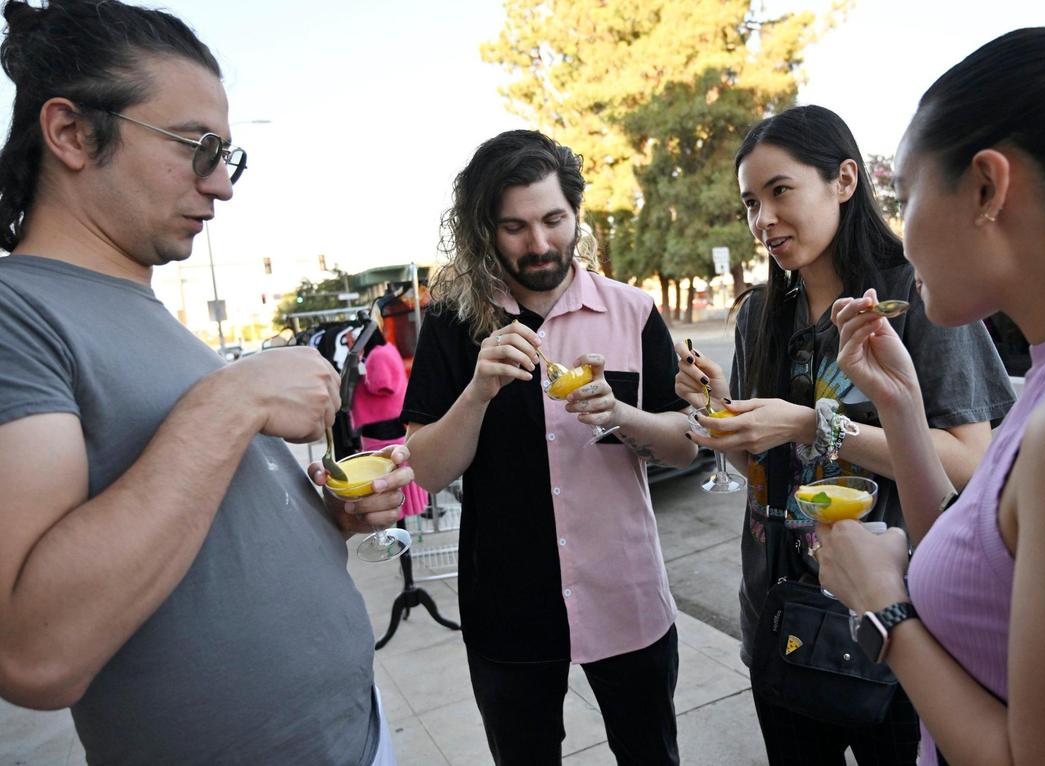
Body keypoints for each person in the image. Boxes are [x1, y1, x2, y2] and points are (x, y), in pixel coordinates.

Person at [0, 2, 412, 764]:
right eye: (199, 148)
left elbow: (188, 525)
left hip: (354, 731)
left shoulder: (144, 311)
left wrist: (327, 516)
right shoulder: (16, 313)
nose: (222, 185)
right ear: (71, 134)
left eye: (228, 156)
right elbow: (34, 651)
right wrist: (237, 396)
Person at [817, 28, 1045, 766]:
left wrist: (882, 613)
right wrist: (901, 404)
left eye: (904, 196)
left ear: (988, 188)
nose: (902, 239)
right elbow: (980, 568)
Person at [675, 105, 1015, 765]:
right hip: (781, 616)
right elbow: (766, 475)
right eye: (750, 203)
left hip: (901, 622)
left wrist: (811, 423)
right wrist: (722, 415)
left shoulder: (911, 298)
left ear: (845, 180)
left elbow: (972, 464)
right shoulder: (759, 315)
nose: (763, 219)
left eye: (780, 191)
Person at [402, 129, 696, 765]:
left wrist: (622, 415)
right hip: (507, 607)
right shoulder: (453, 322)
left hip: (624, 594)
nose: (538, 244)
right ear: (485, 230)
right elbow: (424, 471)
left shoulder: (633, 311)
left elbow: (685, 448)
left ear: (577, 213)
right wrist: (478, 392)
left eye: (553, 220)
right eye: (514, 227)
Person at [350, 326, 428, 519]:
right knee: (397, 470)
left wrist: (362, 380)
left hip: (381, 425)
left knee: (386, 473)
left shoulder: (376, 355)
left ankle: (397, 519)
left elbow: (382, 384)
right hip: (391, 421)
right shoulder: (388, 348)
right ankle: (401, 519)